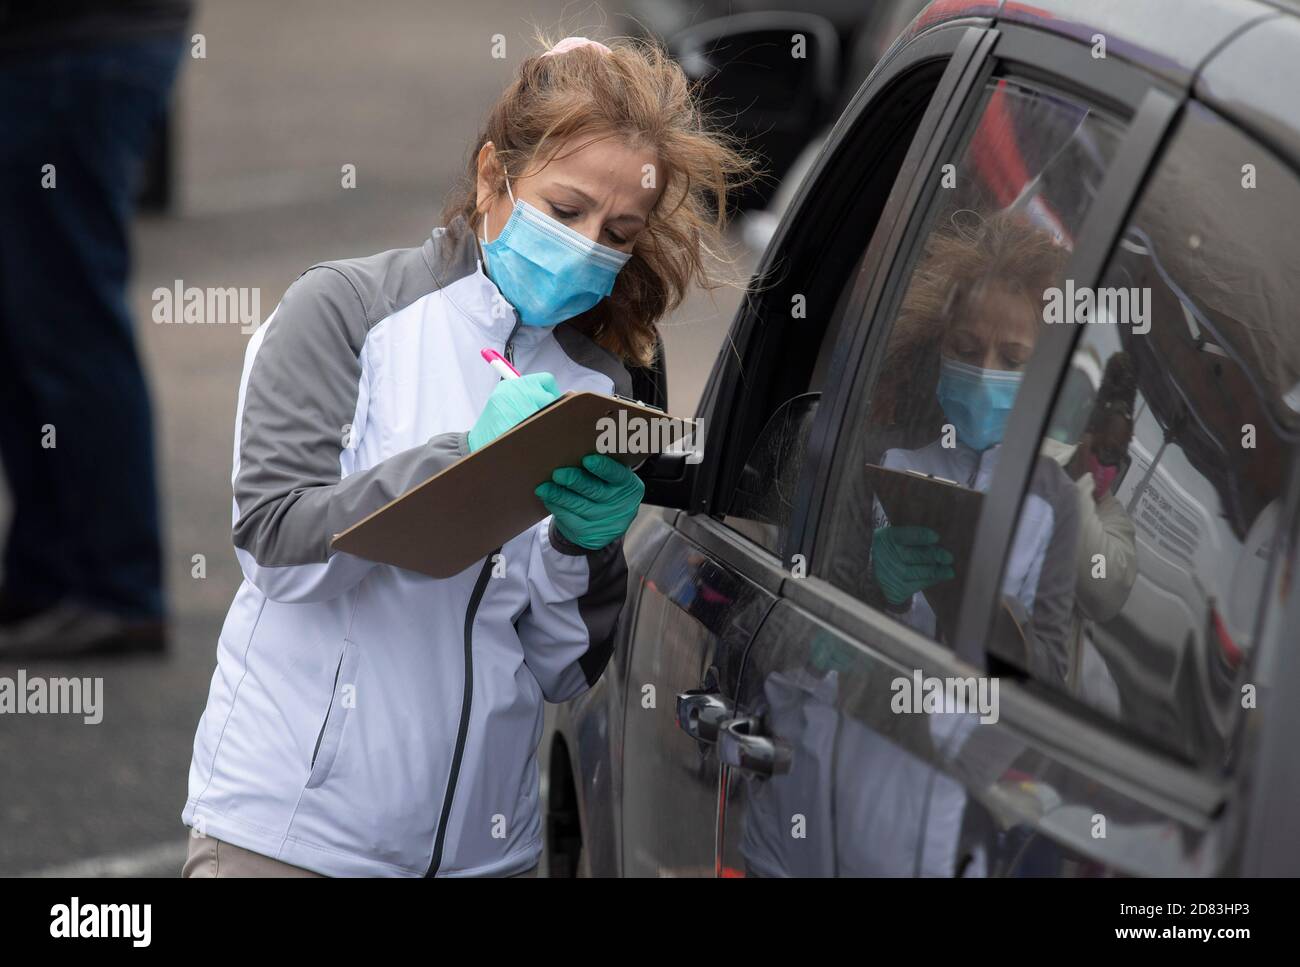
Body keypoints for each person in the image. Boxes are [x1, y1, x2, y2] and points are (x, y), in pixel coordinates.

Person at [180, 34, 755, 877]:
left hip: (490, 852)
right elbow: (276, 544)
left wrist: (582, 547)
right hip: (292, 839)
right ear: (494, 177)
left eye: (619, 230)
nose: (591, 245)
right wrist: (463, 463)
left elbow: (564, 667)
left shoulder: (596, 381)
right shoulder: (344, 310)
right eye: (565, 211)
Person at [0, 2, 191, 656]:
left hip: (73, 45)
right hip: (66, 44)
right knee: (29, 320)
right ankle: (48, 574)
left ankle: (114, 586)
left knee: (66, 320)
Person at [866, 212, 1079, 685]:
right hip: (866, 723)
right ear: (938, 345)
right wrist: (882, 589)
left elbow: (1051, 672)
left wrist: (996, 629)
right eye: (965, 349)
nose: (984, 372)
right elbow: (821, 615)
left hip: (962, 747)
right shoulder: (884, 456)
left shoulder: (1055, 500)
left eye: (1012, 359)